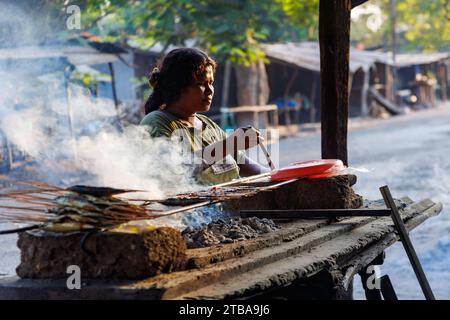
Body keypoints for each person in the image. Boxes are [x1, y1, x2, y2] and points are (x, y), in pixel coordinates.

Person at [140, 47, 269, 185]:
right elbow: (175, 170)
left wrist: (274, 175)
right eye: (201, 84)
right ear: (177, 86)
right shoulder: (157, 122)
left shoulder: (206, 124)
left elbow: (243, 164)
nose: (209, 91)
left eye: (211, 83)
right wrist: (229, 144)